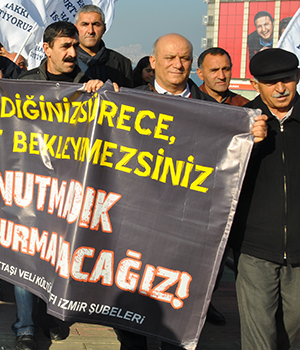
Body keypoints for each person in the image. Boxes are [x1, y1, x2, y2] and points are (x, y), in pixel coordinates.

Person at [120, 33, 268, 350]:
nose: (178, 64)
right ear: (153, 62)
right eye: (170, 57)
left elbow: (233, 163)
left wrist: (252, 139)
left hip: (188, 227)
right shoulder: (126, 101)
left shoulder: (218, 113)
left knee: (177, 310)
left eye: (185, 58)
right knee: (131, 310)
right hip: (137, 221)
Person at [15, 20, 114, 350]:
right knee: (25, 255)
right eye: (65, 47)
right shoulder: (25, 83)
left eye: (74, 46)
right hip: (30, 184)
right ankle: (25, 325)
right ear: (47, 49)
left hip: (70, 187)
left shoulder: (88, 83)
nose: (73, 53)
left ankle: (53, 315)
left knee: (61, 255)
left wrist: (106, 93)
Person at [230, 48, 298, 350]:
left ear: (297, 77)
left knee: (290, 331)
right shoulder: (239, 121)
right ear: (255, 85)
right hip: (254, 248)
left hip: (299, 250)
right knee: (258, 337)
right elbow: (218, 175)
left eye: (287, 79)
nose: (280, 88)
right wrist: (248, 145)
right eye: (271, 83)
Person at [74, 4, 133, 87]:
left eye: (96, 24)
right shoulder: (66, 61)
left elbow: (128, 94)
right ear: (75, 28)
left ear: (104, 28)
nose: (90, 31)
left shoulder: (123, 63)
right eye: (85, 24)